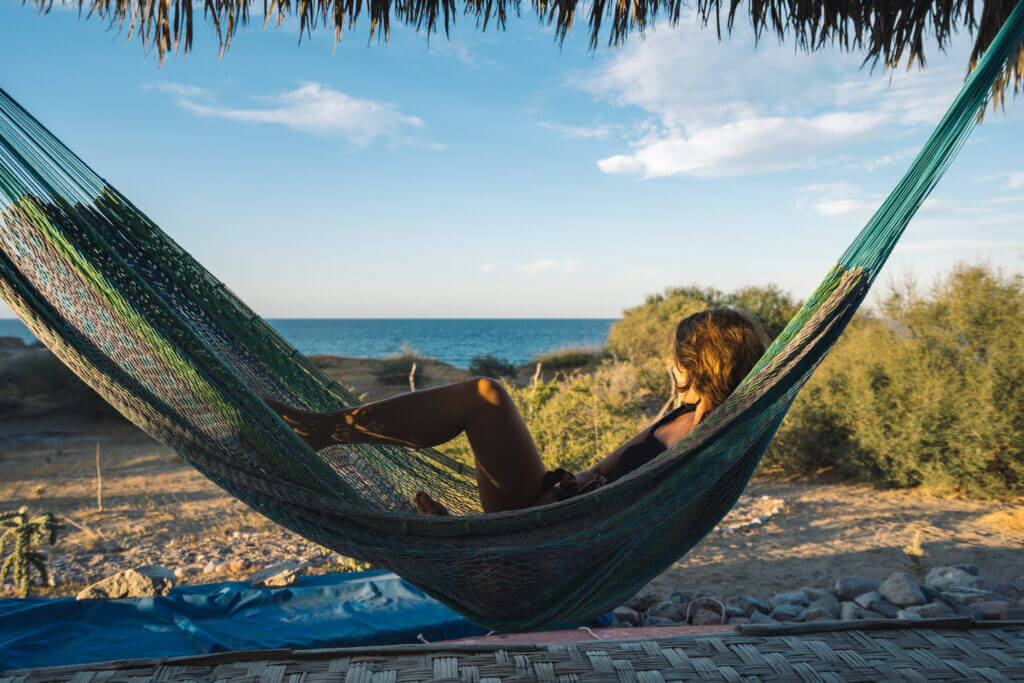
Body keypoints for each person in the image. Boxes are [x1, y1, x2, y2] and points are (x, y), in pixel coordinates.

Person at [262, 309, 767, 515]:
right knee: (485, 394)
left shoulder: (700, 439)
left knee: (485, 393)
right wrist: (567, 488)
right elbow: (603, 473)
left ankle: (323, 431)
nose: (668, 361)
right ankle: (466, 540)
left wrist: (521, 524)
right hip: (549, 504)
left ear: (693, 363)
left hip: (551, 530)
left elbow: (615, 508)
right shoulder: (681, 420)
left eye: (675, 353)